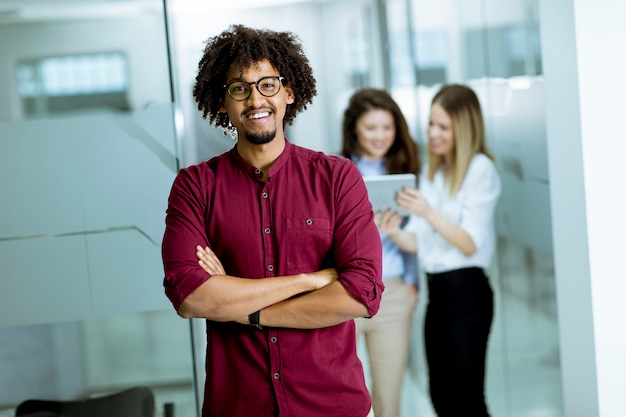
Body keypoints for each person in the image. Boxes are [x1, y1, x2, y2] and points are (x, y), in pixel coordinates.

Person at [161, 24, 384, 417]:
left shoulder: (337, 177)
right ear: (223, 102)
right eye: (239, 88)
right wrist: (306, 281)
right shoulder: (195, 187)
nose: (254, 99)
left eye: (267, 84)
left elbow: (360, 292)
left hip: (331, 403)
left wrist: (241, 305)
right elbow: (191, 296)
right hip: (239, 405)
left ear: (289, 92)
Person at [396, 83, 501, 417]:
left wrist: (428, 212)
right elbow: (417, 240)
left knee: (468, 399)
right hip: (437, 294)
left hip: (467, 292)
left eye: (442, 126)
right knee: (441, 396)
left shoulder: (480, 169)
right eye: (430, 124)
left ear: (463, 128)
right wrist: (386, 229)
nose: (432, 133)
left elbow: (469, 242)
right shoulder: (435, 171)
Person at [340, 88, 420, 417]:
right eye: (371, 128)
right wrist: (362, 226)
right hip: (346, 294)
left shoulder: (406, 170)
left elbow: (419, 234)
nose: (380, 136)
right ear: (354, 129)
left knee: (389, 399)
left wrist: (413, 282)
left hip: (395, 294)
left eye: (387, 128)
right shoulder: (335, 171)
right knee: (343, 398)